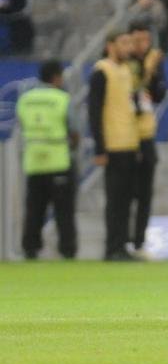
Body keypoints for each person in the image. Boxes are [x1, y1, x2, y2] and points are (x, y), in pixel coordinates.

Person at [87, 31, 139, 262]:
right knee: (115, 199)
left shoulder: (126, 70)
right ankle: (112, 247)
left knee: (127, 198)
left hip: (129, 142)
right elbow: (94, 112)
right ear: (111, 45)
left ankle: (122, 245)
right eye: (124, 42)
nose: (128, 47)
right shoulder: (102, 71)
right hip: (113, 144)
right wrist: (100, 147)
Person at [18, 60, 75, 261]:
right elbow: (73, 128)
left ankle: (30, 249)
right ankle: (67, 249)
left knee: (34, 209)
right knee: (63, 210)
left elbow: (22, 124)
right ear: (56, 77)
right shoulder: (61, 98)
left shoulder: (25, 99)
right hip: (58, 160)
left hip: (34, 160)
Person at [127, 24, 165, 260]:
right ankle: (121, 241)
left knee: (145, 194)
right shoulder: (123, 63)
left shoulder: (153, 61)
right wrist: (147, 69)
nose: (142, 45)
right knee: (125, 194)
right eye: (138, 40)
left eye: (146, 40)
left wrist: (152, 73)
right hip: (125, 136)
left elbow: (159, 94)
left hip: (146, 133)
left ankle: (139, 241)